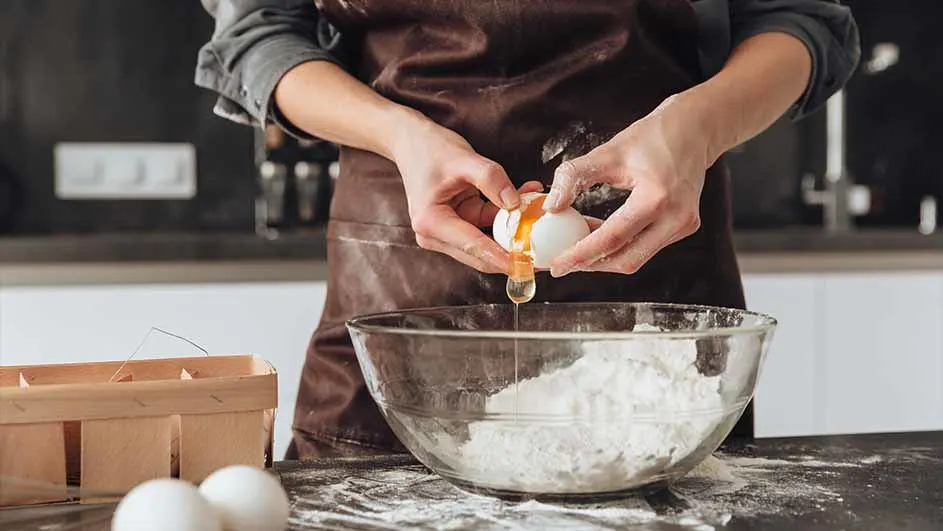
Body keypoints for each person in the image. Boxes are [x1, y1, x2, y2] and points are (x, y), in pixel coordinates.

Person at [196, 0, 860, 458]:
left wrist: (698, 127)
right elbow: (258, 33)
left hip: (653, 309)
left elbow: (798, 20)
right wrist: (398, 133)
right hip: (400, 292)